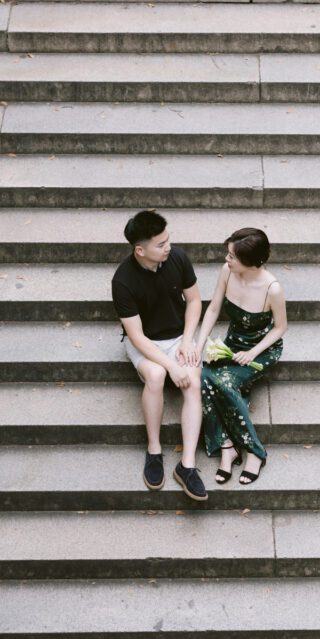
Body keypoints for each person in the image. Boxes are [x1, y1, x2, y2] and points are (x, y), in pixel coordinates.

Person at [111, 210, 207, 501]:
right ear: (140, 249)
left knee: (191, 377)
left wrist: (188, 341)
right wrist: (169, 366)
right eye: (161, 244)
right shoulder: (123, 280)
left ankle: (187, 465)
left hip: (179, 336)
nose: (168, 247)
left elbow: (194, 301)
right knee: (156, 375)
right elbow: (137, 336)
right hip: (146, 342)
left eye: (168, 240)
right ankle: (154, 449)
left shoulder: (177, 258)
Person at [196, 228, 287, 485]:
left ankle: (254, 451)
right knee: (204, 376)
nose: (227, 260)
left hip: (262, 349)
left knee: (223, 382)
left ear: (249, 262)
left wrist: (253, 352)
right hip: (232, 343)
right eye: (228, 254)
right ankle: (227, 447)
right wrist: (199, 344)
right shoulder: (227, 272)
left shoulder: (273, 288)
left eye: (232, 257)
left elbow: (280, 327)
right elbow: (214, 308)